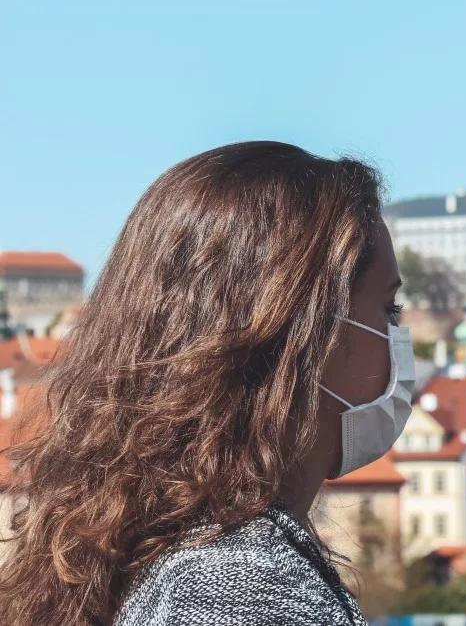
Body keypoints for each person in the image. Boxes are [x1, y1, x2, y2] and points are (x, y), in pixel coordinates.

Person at [0, 141, 415, 625]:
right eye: (389, 309)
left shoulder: (175, 557)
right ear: (301, 334)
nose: (397, 337)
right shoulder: (244, 592)